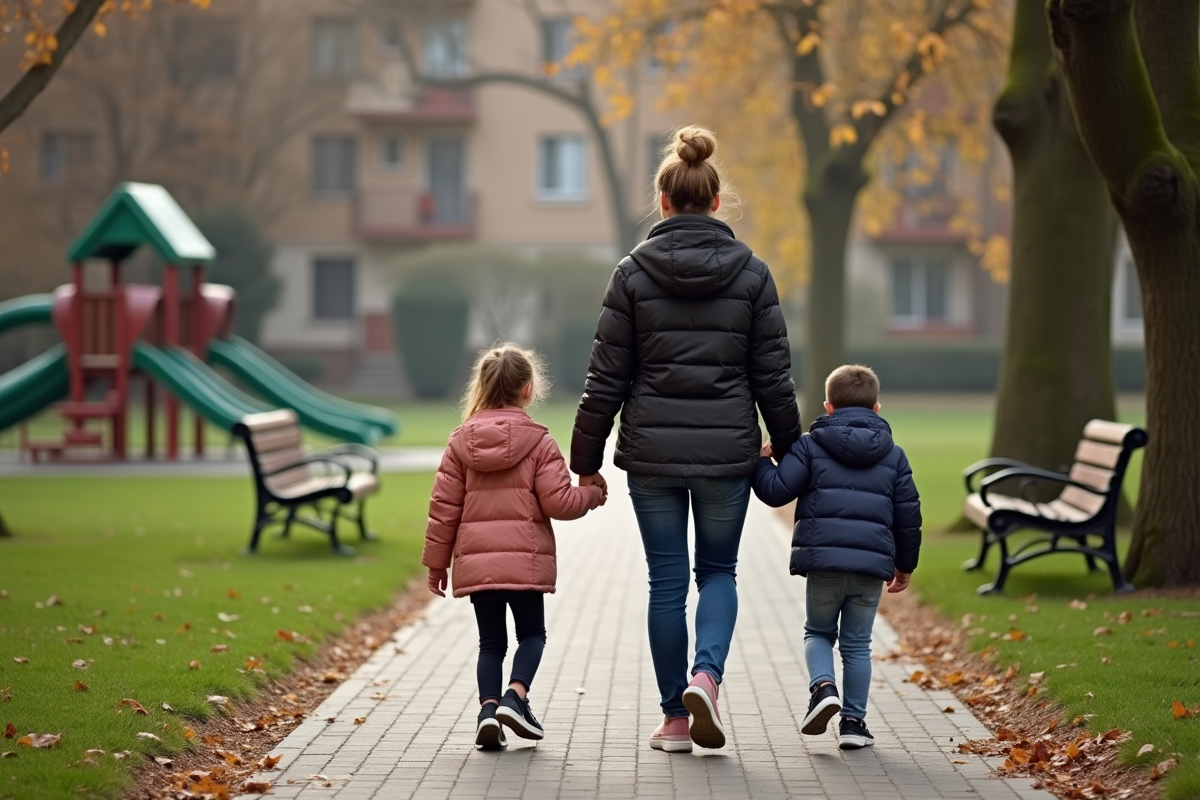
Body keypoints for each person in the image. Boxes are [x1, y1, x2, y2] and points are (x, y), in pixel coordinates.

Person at [571, 125, 801, 753]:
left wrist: (585, 464)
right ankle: (708, 675)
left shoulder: (631, 275)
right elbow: (772, 379)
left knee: (666, 584)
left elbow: (605, 377)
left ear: (664, 202)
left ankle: (675, 718)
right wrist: (793, 450)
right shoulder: (753, 275)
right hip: (728, 453)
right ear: (716, 202)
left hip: (651, 455)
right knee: (720, 570)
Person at [423, 343, 607, 751]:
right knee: (532, 636)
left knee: (491, 644)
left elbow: (443, 511)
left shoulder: (459, 443)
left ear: (483, 387)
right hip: (525, 564)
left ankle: (488, 712)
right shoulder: (539, 442)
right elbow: (560, 503)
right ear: (527, 390)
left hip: (478, 566)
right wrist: (591, 494)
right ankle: (515, 697)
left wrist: (437, 566)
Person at [753, 364, 921, 750]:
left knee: (818, 632)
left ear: (828, 407)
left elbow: (777, 491)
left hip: (824, 563)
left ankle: (823, 687)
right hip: (869, 568)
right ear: (877, 409)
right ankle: (853, 724)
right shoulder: (894, 455)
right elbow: (908, 516)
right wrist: (904, 567)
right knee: (858, 644)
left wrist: (762, 461)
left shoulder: (811, 445)